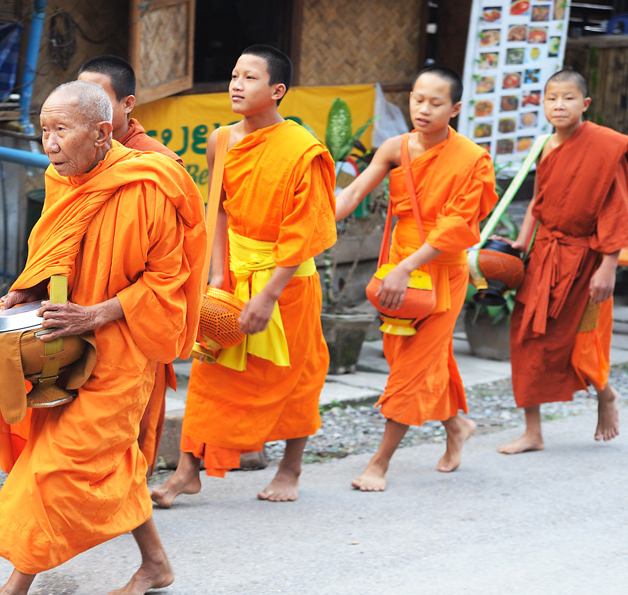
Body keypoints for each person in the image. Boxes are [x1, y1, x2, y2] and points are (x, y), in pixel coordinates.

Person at [0, 81, 206, 595]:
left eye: (60, 131)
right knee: (105, 463)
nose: (49, 143)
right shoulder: (63, 178)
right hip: (68, 345)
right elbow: (56, 252)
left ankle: (12, 594)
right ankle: (155, 564)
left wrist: (97, 315)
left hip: (124, 347)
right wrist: (29, 290)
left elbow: (169, 279)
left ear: (100, 133)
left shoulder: (150, 185)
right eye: (43, 130)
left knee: (61, 468)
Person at [150, 44, 337, 507]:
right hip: (233, 274)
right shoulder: (222, 139)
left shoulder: (303, 151)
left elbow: (304, 233)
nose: (236, 84)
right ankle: (188, 471)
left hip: (288, 284)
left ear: (277, 91)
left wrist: (270, 293)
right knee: (211, 373)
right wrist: (217, 276)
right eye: (234, 75)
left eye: (249, 78)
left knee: (294, 375)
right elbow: (217, 210)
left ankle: (290, 469)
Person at [335, 66, 498, 492]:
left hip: (441, 274)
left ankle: (379, 463)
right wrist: (307, 221)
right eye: (417, 99)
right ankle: (457, 424)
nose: (423, 109)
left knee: (409, 370)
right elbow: (352, 195)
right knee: (415, 360)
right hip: (398, 271)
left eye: (435, 102)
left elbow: (456, 228)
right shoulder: (394, 147)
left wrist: (409, 268)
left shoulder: (472, 160)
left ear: (456, 108)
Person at [497, 69, 628, 455]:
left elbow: (616, 212)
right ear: (543, 104)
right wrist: (521, 243)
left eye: (568, 98)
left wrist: (608, 267)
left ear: (585, 104)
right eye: (552, 98)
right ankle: (533, 432)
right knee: (526, 338)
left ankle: (605, 394)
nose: (559, 105)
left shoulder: (607, 148)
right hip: (543, 257)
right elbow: (538, 204)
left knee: (581, 342)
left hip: (585, 261)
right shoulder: (545, 147)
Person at [78, 54, 183, 473]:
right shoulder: (74, 158)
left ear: (127, 105)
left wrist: (104, 311)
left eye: (98, 97)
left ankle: (125, 510)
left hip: (131, 320)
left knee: (129, 425)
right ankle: (37, 512)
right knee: (60, 418)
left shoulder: (158, 167)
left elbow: (170, 270)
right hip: (74, 313)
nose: (86, 107)